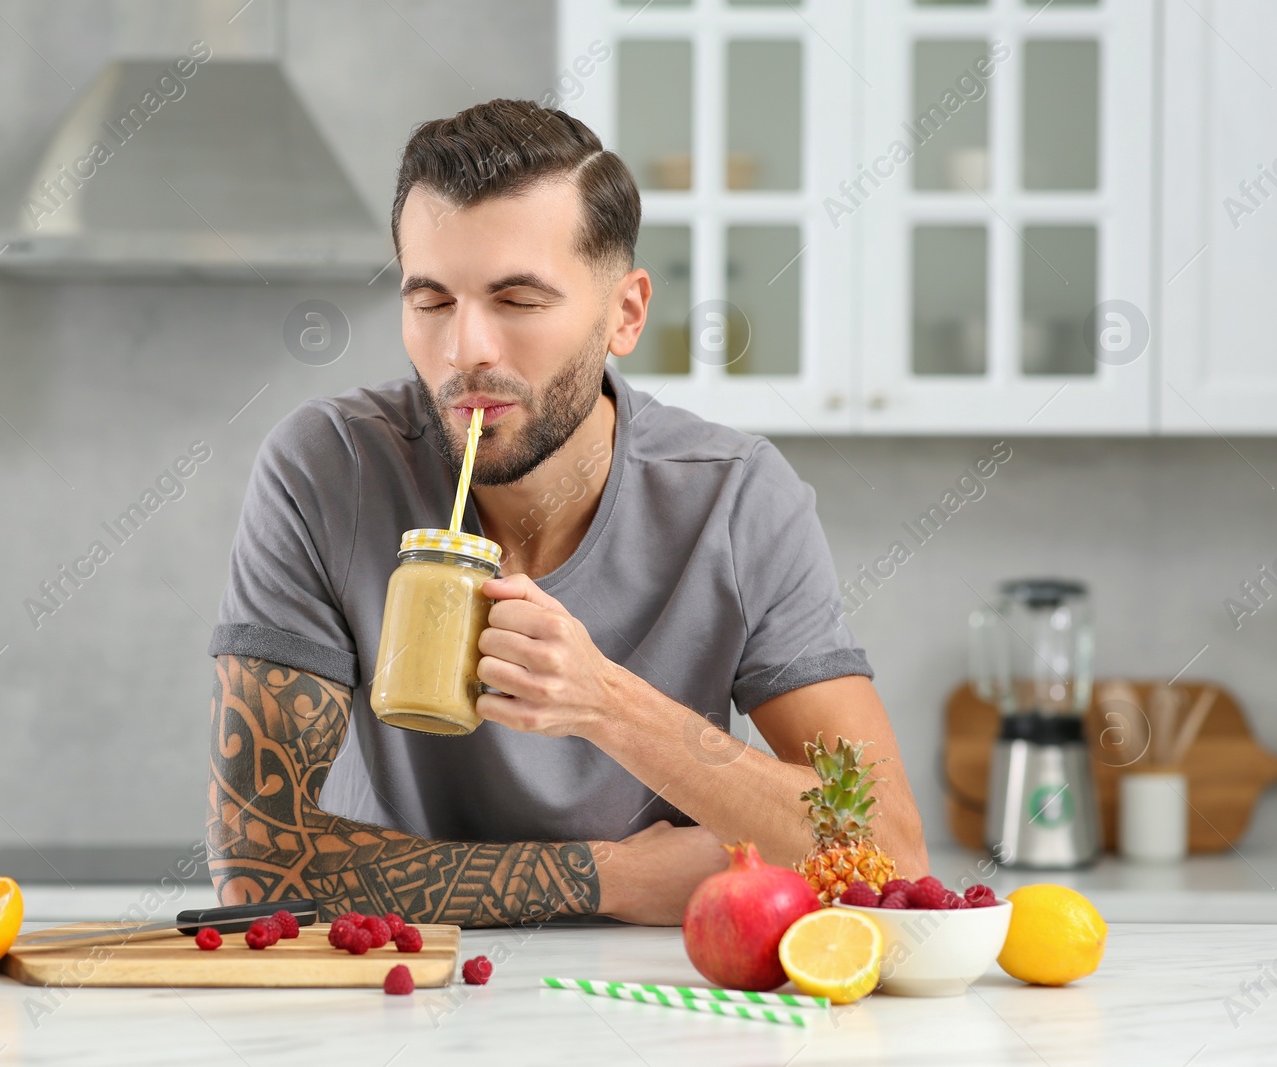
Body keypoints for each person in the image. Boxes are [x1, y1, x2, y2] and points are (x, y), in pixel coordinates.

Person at [205, 99, 927, 928]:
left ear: (624, 314)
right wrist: (609, 878)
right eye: (432, 301)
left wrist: (605, 703)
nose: (467, 348)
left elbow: (890, 851)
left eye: (517, 300)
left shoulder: (735, 498)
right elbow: (257, 869)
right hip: (399, 990)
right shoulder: (327, 470)